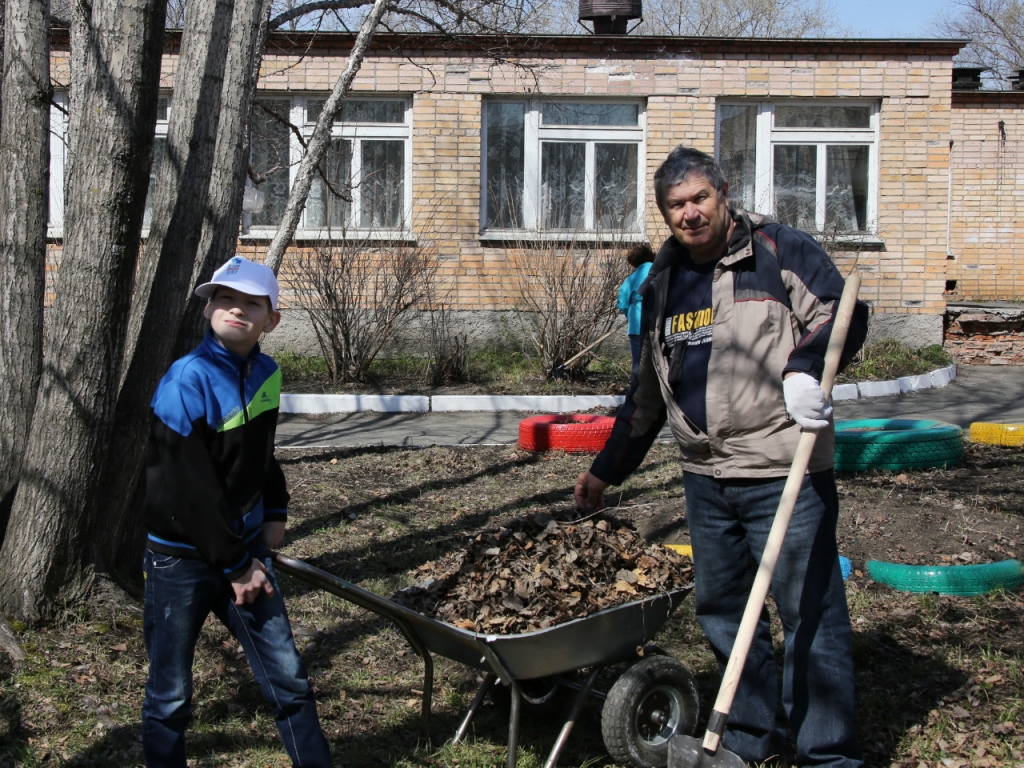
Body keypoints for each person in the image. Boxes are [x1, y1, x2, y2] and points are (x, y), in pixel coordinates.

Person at [575, 146, 868, 767]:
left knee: (809, 611)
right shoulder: (663, 281)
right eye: (676, 205)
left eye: (699, 198)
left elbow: (843, 313)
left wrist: (805, 370)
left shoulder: (778, 250)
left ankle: (827, 754)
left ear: (723, 194)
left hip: (781, 467)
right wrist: (605, 471)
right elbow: (647, 393)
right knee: (725, 615)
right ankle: (750, 737)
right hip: (706, 477)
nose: (690, 214)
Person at [141, 256, 331, 768]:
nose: (236, 309)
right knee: (171, 695)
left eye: (251, 302)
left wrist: (275, 508)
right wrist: (235, 566)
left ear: (271, 319)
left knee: (289, 680)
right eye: (225, 299)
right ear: (208, 310)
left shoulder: (267, 371)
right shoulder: (187, 380)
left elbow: (260, 451)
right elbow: (188, 489)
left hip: (245, 553)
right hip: (180, 561)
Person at [617, 242, 656, 381]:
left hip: (636, 325)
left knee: (638, 363)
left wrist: (630, 314)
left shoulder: (631, 278)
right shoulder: (659, 271)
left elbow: (622, 302)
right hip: (657, 323)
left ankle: (636, 393)